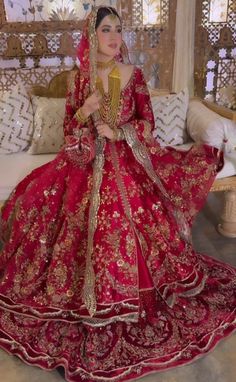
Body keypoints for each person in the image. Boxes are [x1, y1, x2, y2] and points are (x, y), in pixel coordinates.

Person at [0, 6, 235, 382]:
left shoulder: (134, 75)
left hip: (126, 161)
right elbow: (69, 135)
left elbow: (147, 126)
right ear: (91, 36)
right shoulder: (79, 80)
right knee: (37, 202)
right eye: (105, 29)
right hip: (82, 163)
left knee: (130, 217)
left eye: (118, 29)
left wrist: (120, 132)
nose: (113, 37)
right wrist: (84, 114)